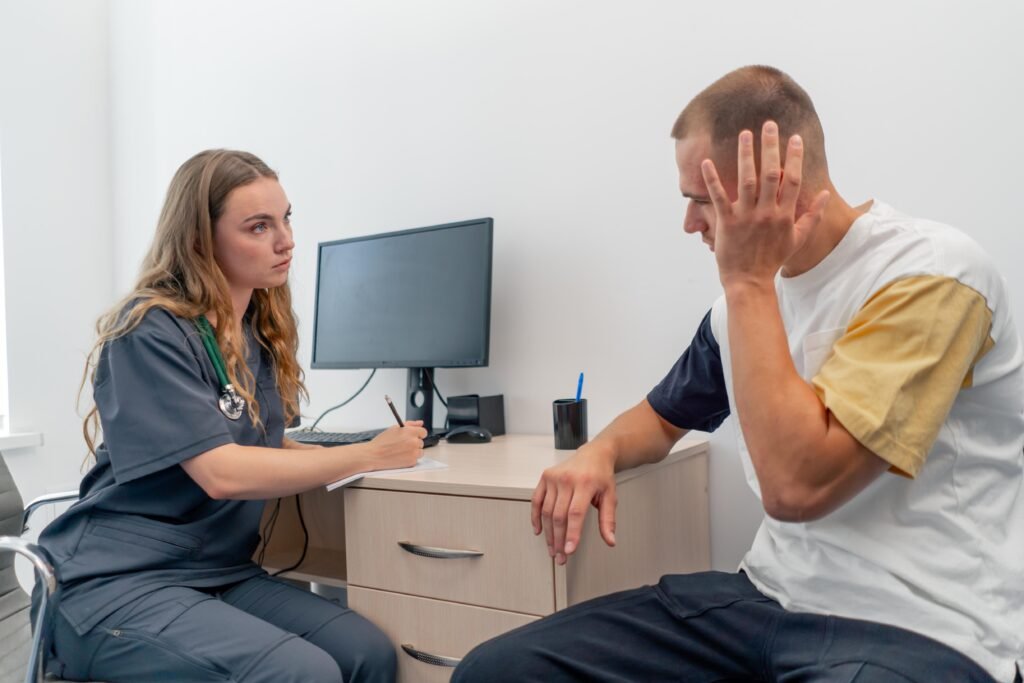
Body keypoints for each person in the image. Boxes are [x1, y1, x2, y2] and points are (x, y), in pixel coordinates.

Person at [453, 66, 1024, 682]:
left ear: (772, 186)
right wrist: (598, 452)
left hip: (918, 625)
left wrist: (749, 280)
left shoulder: (933, 275)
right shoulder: (737, 312)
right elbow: (660, 417)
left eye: (703, 201)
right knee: (498, 671)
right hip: (765, 600)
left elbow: (797, 489)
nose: (690, 224)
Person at [32, 149, 427, 682]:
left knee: (366, 654)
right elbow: (221, 470)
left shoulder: (252, 333)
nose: (285, 240)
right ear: (200, 240)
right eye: (259, 227)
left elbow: (257, 440)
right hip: (115, 582)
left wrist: (340, 454)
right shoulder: (149, 331)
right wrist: (368, 453)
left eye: (286, 219)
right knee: (301, 673)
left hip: (214, 571)